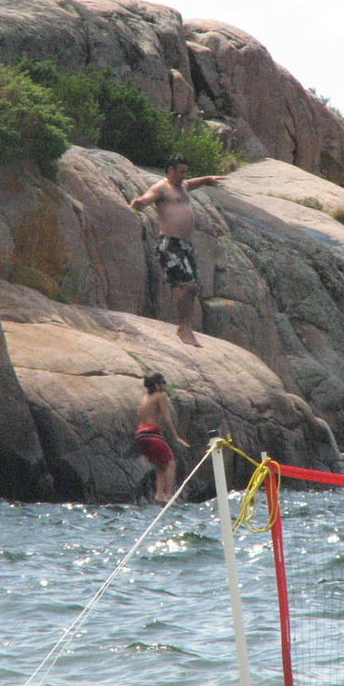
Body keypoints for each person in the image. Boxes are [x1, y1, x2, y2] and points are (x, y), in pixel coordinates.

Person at [130, 154, 225, 346]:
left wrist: (207, 179)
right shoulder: (161, 188)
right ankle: (183, 329)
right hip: (169, 245)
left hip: (185, 246)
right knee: (188, 286)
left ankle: (186, 327)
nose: (184, 176)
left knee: (192, 288)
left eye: (186, 172)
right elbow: (147, 198)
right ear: (170, 170)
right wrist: (139, 203)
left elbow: (192, 183)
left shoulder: (183, 185)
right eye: (181, 172)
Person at [134, 372, 188, 503]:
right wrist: (175, 437)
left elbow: (140, 417)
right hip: (150, 434)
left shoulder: (145, 396)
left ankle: (159, 495)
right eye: (164, 383)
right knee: (171, 463)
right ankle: (168, 496)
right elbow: (166, 417)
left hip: (140, 436)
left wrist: (159, 434)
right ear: (157, 385)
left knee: (161, 464)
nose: (166, 385)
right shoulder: (160, 395)